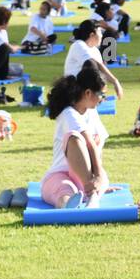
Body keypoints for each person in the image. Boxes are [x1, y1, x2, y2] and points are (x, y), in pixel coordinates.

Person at [39, 64, 109, 208]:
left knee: (99, 178)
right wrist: (97, 178)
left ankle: (92, 194)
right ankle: (72, 204)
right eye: (102, 95)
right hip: (61, 176)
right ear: (88, 93)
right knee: (74, 138)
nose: (104, 99)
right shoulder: (68, 114)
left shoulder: (92, 112)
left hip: (87, 179)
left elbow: (97, 143)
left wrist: (99, 178)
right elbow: (89, 143)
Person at [64, 19, 123, 98]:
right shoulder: (78, 45)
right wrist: (115, 81)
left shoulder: (94, 50)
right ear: (92, 35)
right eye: (100, 32)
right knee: (91, 64)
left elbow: (102, 68)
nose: (102, 35)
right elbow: (93, 63)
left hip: (85, 89)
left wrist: (103, 85)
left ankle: (95, 95)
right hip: (73, 89)